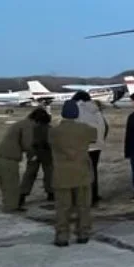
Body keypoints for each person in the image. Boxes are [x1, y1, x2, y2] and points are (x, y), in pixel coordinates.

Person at [50, 100, 96, 245]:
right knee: (83, 206)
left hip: (62, 173)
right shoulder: (86, 129)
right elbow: (94, 138)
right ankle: (83, 233)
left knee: (63, 207)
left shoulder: (53, 131)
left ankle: (62, 236)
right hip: (82, 171)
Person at [0, 108, 50, 212]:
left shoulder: (22, 123)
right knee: (11, 183)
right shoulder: (28, 125)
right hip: (8, 156)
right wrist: (36, 151)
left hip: (5, 155)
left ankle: (10, 205)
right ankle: (11, 207)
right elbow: (27, 143)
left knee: (8, 183)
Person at [71, 92, 109, 206]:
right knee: (93, 171)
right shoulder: (96, 110)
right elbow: (105, 127)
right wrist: (100, 141)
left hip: (82, 147)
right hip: (96, 147)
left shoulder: (77, 110)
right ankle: (93, 196)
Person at [18, 107, 54, 206]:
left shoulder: (31, 127)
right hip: (47, 153)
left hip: (33, 152)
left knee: (30, 173)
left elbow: (28, 141)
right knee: (49, 173)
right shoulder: (49, 128)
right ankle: (51, 193)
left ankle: (22, 194)